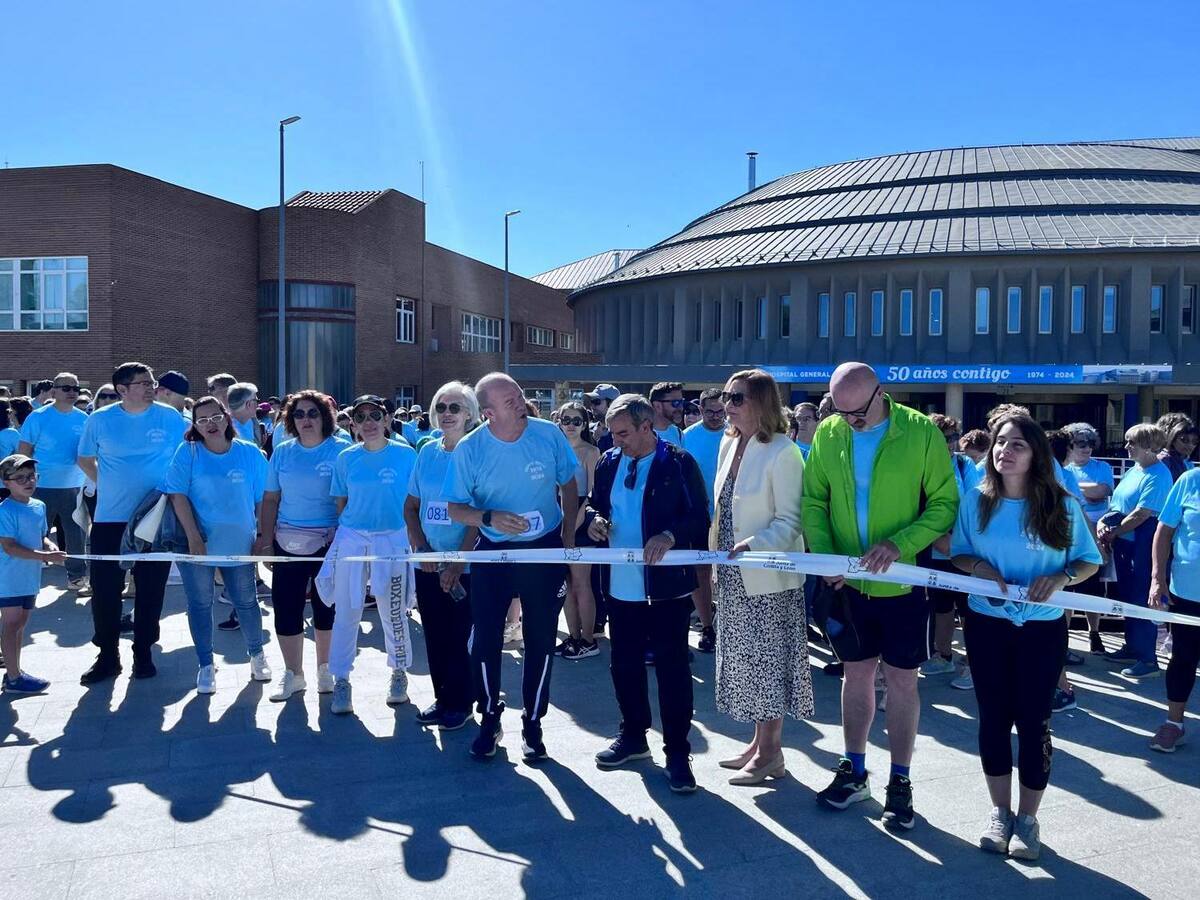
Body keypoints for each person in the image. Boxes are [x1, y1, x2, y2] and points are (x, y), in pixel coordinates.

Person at [802, 361, 957, 830]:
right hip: (847, 584)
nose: (851, 421)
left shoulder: (920, 432)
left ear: (881, 394)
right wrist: (828, 559)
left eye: (858, 413)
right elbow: (813, 500)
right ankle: (854, 770)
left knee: (904, 681)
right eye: (841, 412)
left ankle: (901, 780)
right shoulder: (829, 433)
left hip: (904, 584)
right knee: (856, 674)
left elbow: (945, 503)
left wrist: (901, 544)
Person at [950, 413, 1102, 861]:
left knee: (1034, 723)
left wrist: (1060, 577)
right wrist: (981, 569)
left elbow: (1087, 561)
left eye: (1017, 444)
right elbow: (958, 553)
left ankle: (1029, 820)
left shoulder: (1061, 504)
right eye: (1000, 443)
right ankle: (1000, 814)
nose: (1005, 451)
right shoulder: (975, 502)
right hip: (986, 624)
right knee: (993, 719)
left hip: (1042, 627)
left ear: (1036, 453)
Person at [446, 373, 579, 762]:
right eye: (510, 402)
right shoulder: (470, 448)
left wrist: (568, 536)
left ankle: (534, 725)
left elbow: (568, 484)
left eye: (519, 396)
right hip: (494, 553)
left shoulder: (548, 434)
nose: (520, 403)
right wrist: (489, 517)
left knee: (540, 641)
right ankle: (489, 720)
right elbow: (456, 508)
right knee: (485, 642)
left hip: (544, 550)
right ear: (487, 413)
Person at [586, 394, 709, 793]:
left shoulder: (677, 462)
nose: (614, 439)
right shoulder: (607, 462)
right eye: (611, 432)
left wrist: (669, 535)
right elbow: (594, 505)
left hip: (666, 590)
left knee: (673, 670)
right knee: (624, 665)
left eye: (622, 433)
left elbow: (699, 517)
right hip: (620, 587)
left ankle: (677, 752)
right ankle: (633, 736)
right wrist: (595, 521)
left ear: (647, 426)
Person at [710, 369, 811, 786]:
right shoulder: (729, 442)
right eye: (726, 397)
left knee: (767, 664)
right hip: (734, 574)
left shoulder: (784, 450)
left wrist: (754, 545)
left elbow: (792, 520)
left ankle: (771, 753)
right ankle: (758, 743)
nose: (727, 405)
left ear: (762, 403)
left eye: (737, 398)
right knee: (747, 663)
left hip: (767, 574)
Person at [77, 362, 187, 684]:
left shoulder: (169, 417)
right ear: (122, 390)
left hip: (156, 518)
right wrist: (105, 482)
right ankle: (107, 656)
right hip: (111, 518)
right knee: (105, 590)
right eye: (143, 383)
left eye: (152, 381)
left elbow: (185, 455)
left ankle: (143, 652)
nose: (152, 387)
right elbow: (84, 458)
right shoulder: (100, 419)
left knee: (151, 590)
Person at [164, 396, 271, 694]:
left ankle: (257, 654)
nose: (210, 424)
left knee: (246, 602)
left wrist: (263, 537)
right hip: (197, 544)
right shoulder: (188, 452)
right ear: (194, 425)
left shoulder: (249, 452)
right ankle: (206, 665)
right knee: (200, 604)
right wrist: (194, 536)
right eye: (202, 420)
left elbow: (264, 498)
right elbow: (177, 495)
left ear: (227, 418)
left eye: (215, 417)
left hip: (240, 542)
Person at [321, 395, 418, 715]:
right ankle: (341, 679)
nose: (369, 423)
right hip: (352, 541)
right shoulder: (347, 458)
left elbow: (414, 502)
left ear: (387, 419)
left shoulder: (406, 454)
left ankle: (399, 672)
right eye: (361, 417)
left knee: (393, 610)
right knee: (346, 612)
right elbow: (341, 502)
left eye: (375, 415)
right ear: (353, 424)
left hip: (392, 541)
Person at [254, 390, 349, 701]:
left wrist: (343, 536)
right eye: (299, 414)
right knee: (286, 607)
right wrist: (266, 542)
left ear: (325, 416)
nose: (306, 419)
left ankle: (326, 670)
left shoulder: (342, 450)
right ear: (290, 420)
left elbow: (351, 500)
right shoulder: (282, 452)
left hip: (331, 543)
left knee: (327, 608)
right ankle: (294, 674)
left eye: (313, 413)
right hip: (287, 542)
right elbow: (270, 499)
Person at [402, 382, 480, 731]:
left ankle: (462, 701)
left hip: (466, 563)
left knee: (459, 633)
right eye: (442, 407)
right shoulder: (427, 451)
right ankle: (443, 697)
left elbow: (479, 515)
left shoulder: (478, 452)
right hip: (428, 560)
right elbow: (411, 507)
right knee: (433, 632)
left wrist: (458, 562)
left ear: (470, 414)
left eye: (455, 407)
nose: (447, 413)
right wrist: (421, 549)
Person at [1097, 424, 1173, 678]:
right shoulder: (1135, 469)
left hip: (1142, 543)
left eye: (1133, 443)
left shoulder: (1159, 475)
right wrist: (1104, 525)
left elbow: (1142, 513)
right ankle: (1132, 646)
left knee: (1141, 597)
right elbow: (1119, 504)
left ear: (1150, 446)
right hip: (1125, 543)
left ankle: (1148, 659)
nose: (1127, 447)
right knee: (1127, 596)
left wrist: (1113, 531)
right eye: (1127, 441)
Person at [17, 372, 89, 592]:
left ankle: (76, 576)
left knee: (76, 534)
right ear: (54, 390)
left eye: (76, 389)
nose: (71, 393)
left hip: (75, 486)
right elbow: (24, 452)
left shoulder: (83, 418)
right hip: (42, 486)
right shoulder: (38, 417)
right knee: (34, 533)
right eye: (66, 388)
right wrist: (24, 482)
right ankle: (22, 578)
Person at [0, 454, 66, 694]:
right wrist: (45, 557)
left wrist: (49, 546)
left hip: (30, 576)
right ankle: (14, 676)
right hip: (8, 578)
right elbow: (8, 546)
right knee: (10, 624)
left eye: (31, 476)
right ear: (6, 482)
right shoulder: (5, 510)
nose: (28, 482)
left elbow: (42, 535)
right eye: (20, 478)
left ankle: (14, 672)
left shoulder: (39, 506)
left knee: (21, 623)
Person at [1149, 465, 1200, 752]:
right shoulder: (1190, 480)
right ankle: (1174, 723)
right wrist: (1157, 579)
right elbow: (1164, 531)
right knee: (1183, 659)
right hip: (1188, 594)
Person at [922, 414, 972, 678]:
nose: (950, 444)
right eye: (943, 438)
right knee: (941, 608)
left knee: (969, 611)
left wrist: (956, 541)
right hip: (932, 550)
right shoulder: (919, 465)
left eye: (953, 437)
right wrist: (934, 537)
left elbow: (976, 506)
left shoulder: (965, 465)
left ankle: (973, 667)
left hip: (961, 549)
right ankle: (943, 656)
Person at [1064, 421, 1115, 655]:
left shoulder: (1102, 466)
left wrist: (1077, 489)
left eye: (1090, 444)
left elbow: (1101, 492)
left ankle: (1094, 634)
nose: (1086, 448)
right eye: (1080, 443)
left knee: (1092, 587)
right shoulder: (1063, 468)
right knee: (1065, 585)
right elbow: (1089, 493)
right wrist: (1088, 489)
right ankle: (1062, 638)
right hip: (1067, 535)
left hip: (1095, 535)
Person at [555, 401, 601, 660]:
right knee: (566, 585)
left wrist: (573, 523)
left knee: (582, 584)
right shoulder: (555, 450)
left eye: (576, 420)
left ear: (584, 424)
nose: (571, 425)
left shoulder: (591, 452)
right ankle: (573, 637)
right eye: (566, 420)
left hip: (580, 521)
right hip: (558, 519)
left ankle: (587, 639)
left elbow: (593, 493)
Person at [682, 388, 725, 653]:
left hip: (730, 517)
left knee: (730, 574)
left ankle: (729, 626)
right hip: (699, 516)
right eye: (710, 411)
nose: (716, 417)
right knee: (701, 573)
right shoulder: (688, 437)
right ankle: (708, 626)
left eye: (720, 411)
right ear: (700, 410)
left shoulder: (736, 433)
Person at [1159, 417, 1199, 483]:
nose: (1190, 445)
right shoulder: (1164, 460)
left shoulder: (1188, 461)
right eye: (1184, 440)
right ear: (1173, 439)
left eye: (1195, 442)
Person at [586, 384, 621, 452]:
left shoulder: (624, 433)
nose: (592, 406)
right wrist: (594, 439)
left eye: (597, 402)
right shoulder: (587, 430)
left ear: (611, 404)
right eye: (591, 402)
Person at [648, 382, 685, 447]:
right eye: (675, 403)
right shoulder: (641, 434)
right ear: (657, 406)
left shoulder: (678, 433)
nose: (680, 408)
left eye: (681, 402)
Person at [227, 382, 262, 446]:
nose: (258, 405)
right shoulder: (227, 428)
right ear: (248, 404)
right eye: (256, 401)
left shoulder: (249, 421)